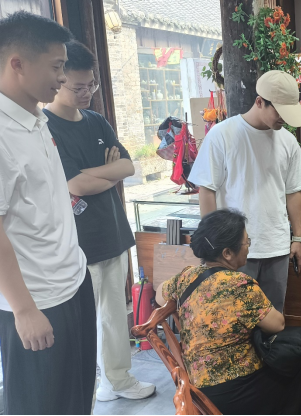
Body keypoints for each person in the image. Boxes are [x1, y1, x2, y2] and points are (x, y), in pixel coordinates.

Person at [43, 40, 156, 402]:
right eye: (78, 87)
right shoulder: (46, 127)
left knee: (114, 316)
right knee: (81, 323)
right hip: (77, 242)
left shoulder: (97, 121)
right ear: (59, 80)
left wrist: (92, 175)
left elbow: (128, 166)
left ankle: (117, 381)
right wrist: (103, 173)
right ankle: (85, 393)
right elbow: (76, 185)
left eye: (91, 85)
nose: (87, 93)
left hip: (113, 232)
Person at [156, 209, 301, 415]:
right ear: (227, 253)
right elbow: (277, 324)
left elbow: (159, 295)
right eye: (247, 242)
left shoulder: (187, 276)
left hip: (199, 388)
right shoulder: (238, 284)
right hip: (234, 393)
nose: (248, 248)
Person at [0, 12, 96, 414]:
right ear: (18, 64)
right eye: (56, 67)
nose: (62, 77)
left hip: (72, 280)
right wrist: (24, 310)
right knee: (40, 405)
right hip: (37, 300)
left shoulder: (36, 118)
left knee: (77, 398)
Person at [188, 70, 301, 313]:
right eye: (279, 112)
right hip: (231, 250)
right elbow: (207, 190)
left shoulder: (287, 141)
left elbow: (293, 191)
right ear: (259, 102)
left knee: (274, 318)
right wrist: (212, 245)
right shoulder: (222, 135)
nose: (284, 119)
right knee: (233, 319)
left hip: (276, 246)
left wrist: (298, 238)